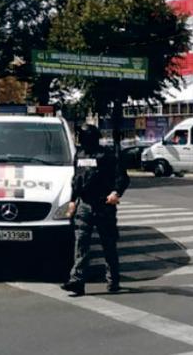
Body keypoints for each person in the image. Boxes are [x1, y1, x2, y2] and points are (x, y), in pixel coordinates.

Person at [62, 124, 130, 296]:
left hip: (104, 206)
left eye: (83, 136)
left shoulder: (107, 155)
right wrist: (72, 201)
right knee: (81, 243)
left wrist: (116, 192)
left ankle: (113, 280)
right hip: (84, 205)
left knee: (108, 245)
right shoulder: (80, 155)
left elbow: (122, 177)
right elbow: (76, 180)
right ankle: (77, 281)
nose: (81, 140)